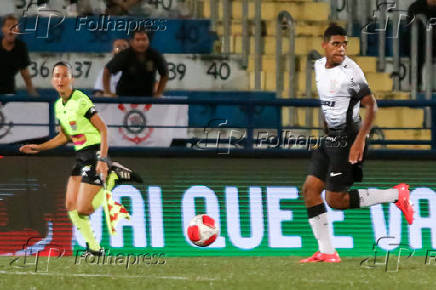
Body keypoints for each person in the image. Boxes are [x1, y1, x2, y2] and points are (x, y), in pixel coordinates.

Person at [299, 24, 415, 263]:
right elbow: (328, 102)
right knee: (310, 191)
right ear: (325, 45)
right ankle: (327, 252)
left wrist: (359, 140)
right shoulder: (319, 66)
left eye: (344, 44)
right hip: (330, 139)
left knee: (335, 200)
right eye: (336, 44)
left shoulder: (351, 72)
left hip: (349, 140)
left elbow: (372, 106)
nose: (341, 49)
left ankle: (396, 194)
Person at [19, 62, 110, 255]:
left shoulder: (81, 100)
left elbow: (103, 129)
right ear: (53, 80)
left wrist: (102, 159)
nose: (60, 80)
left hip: (94, 153)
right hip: (81, 157)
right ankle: (94, 248)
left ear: (71, 79)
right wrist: (39, 147)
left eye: (64, 75)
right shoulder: (59, 106)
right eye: (57, 76)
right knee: (70, 206)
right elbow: (64, 136)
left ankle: (108, 189)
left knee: (83, 208)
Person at [103, 29, 169, 98]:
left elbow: (165, 74)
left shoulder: (155, 55)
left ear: (148, 41)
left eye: (144, 39)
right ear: (132, 42)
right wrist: (108, 92)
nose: (141, 43)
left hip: (147, 97)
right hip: (124, 97)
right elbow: (107, 70)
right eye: (138, 40)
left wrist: (159, 93)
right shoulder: (124, 55)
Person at [0, 14, 38, 96]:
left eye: (14, 27)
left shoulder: (20, 47)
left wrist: (33, 96)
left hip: (9, 93)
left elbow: (25, 74)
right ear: (3, 29)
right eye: (8, 26)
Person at [408, 0, 436, 90]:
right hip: (420, 43)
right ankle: (415, 84)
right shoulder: (416, 7)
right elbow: (411, 28)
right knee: (417, 47)